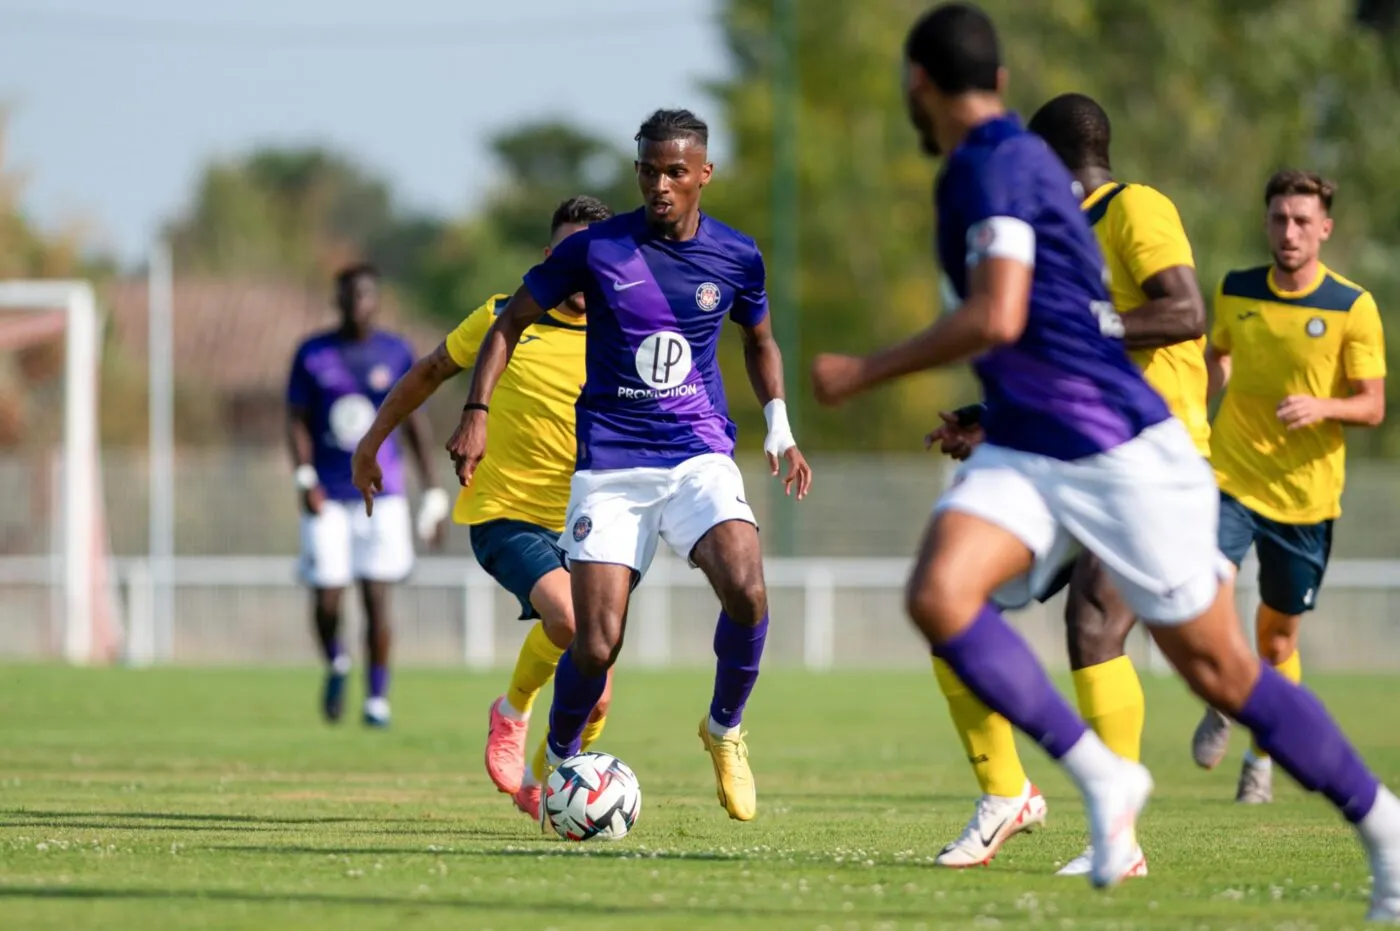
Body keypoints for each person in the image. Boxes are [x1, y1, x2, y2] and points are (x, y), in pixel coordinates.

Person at [809, 4, 1400, 915]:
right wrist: (986, 409)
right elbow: (1038, 331)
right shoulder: (1007, 172)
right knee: (939, 593)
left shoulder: (1010, 171)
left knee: (1220, 670)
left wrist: (866, 369)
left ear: (916, 86)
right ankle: (1086, 783)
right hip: (1034, 440)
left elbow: (1013, 317)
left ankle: (1384, 827)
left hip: (1128, 446)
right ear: (998, 83)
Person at [449, 108, 813, 823]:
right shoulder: (600, 248)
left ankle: (725, 726)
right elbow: (510, 321)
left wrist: (779, 425)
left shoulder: (737, 255)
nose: (661, 185)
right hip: (612, 464)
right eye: (649, 170)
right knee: (597, 638)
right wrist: (477, 410)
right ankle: (559, 755)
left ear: (704, 173)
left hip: (697, 454)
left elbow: (759, 338)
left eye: (676, 171)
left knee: (746, 584)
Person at [924, 92, 1210, 877]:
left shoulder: (1135, 207)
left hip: (1151, 460)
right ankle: (1005, 792)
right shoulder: (1057, 239)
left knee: (1094, 623)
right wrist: (989, 416)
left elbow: (1185, 310)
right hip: (1070, 453)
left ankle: (1119, 837)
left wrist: (1093, 327)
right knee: (952, 599)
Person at [351, 196, 615, 819]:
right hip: (506, 515)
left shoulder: (626, 330)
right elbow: (429, 371)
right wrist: (371, 443)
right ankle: (513, 713)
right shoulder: (505, 317)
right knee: (575, 625)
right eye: (568, 256)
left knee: (597, 697)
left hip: (594, 526)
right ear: (550, 258)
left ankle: (560, 776)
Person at [1192, 170, 1387, 803]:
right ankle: (1224, 695)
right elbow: (1218, 354)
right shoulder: (1237, 290)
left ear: (1324, 229)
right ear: (1266, 222)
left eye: (1303, 221)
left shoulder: (1351, 308)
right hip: (1232, 475)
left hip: (1305, 499)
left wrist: (1323, 408)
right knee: (1204, 589)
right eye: (1279, 218)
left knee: (1277, 641)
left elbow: (1373, 406)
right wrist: (1195, 407)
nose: (1290, 231)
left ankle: (1260, 755)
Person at [285, 262, 450, 728]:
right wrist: (304, 478)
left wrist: (432, 492)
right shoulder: (311, 353)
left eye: (366, 295)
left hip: (384, 495)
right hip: (329, 493)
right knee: (327, 599)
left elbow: (414, 424)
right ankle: (337, 661)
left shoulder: (396, 353)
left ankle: (377, 699)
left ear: (377, 300)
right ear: (337, 300)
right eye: (349, 295)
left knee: (377, 599)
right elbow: (295, 420)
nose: (358, 303)